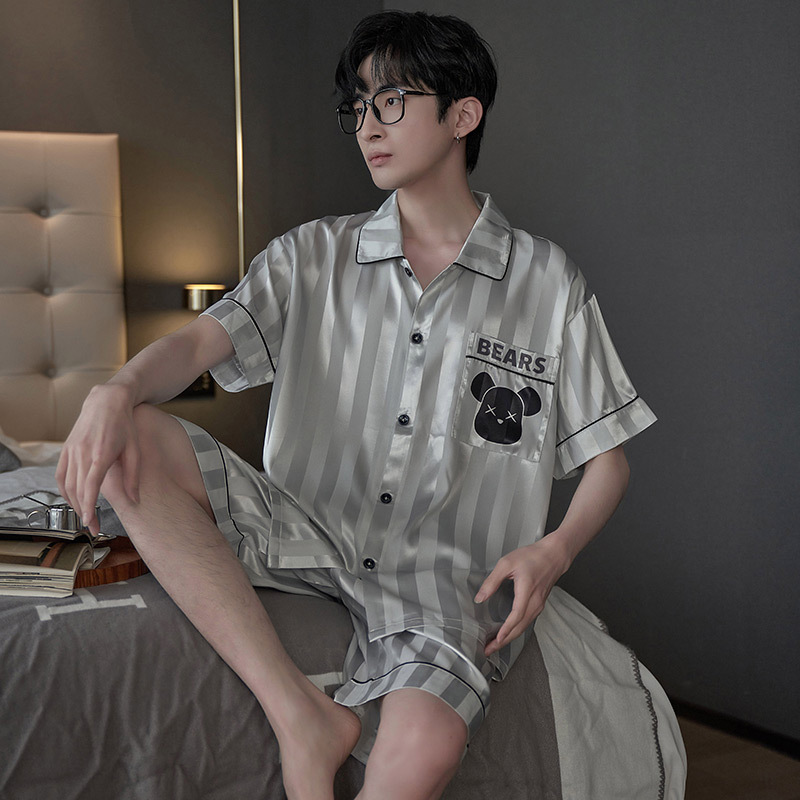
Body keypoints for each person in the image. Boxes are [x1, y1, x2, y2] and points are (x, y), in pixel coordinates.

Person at [57, 11, 656, 800]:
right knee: (131, 434)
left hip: (444, 577)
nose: (368, 126)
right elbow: (199, 343)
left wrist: (554, 551)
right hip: (302, 534)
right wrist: (117, 387)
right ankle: (298, 714)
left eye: (392, 101)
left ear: (463, 115)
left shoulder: (546, 282)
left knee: (426, 745)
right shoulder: (311, 254)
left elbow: (608, 461)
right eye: (360, 106)